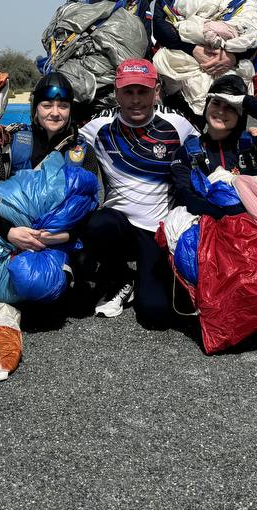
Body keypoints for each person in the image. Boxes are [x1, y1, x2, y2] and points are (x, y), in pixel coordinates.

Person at [0, 73, 103, 311]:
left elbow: (90, 207)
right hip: (10, 233)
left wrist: (63, 237)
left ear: (71, 110)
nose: (55, 112)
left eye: (63, 106)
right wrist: (10, 232)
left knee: (78, 273)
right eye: (47, 105)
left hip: (57, 238)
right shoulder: (11, 142)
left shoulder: (83, 152)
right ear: (35, 108)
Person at [77, 59, 198, 326]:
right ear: (116, 93)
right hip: (117, 225)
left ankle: (146, 277)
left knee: (155, 315)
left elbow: (212, 145)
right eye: (128, 92)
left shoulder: (178, 124)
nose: (135, 100)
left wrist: (252, 139)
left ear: (156, 91)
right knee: (97, 224)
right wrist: (9, 134)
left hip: (157, 231)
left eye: (142, 91)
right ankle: (120, 277)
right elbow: (57, 135)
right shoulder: (98, 126)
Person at [170, 75, 257, 214]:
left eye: (230, 107)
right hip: (210, 224)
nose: (221, 111)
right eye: (216, 103)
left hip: (251, 225)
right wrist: (234, 215)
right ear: (206, 107)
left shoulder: (251, 146)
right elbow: (187, 199)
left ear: (241, 115)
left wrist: (249, 102)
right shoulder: (186, 153)